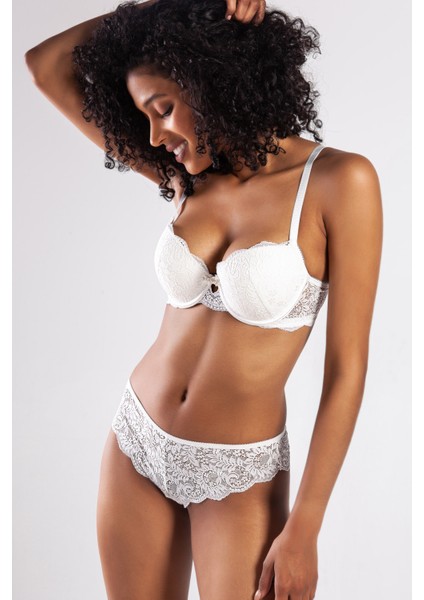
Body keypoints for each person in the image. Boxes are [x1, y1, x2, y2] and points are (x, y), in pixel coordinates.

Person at [24, 0, 383, 598]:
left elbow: (347, 369)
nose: (154, 136)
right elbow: (46, 65)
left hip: (239, 473)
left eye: (163, 109)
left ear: (211, 76)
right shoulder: (186, 177)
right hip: (138, 443)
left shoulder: (340, 182)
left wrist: (305, 527)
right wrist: (179, 2)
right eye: (144, 116)